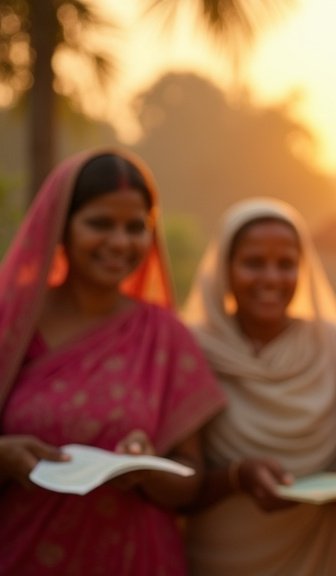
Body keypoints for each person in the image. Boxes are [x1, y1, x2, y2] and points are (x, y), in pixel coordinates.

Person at [0, 149, 226, 575]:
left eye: (135, 227)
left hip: (134, 558)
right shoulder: (12, 326)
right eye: (100, 223)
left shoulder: (164, 335)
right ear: (61, 228)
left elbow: (191, 479)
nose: (120, 242)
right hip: (24, 553)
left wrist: (144, 469)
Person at [180, 197, 336, 575]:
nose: (271, 278)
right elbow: (178, 482)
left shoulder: (335, 346)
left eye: (286, 264)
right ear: (225, 268)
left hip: (327, 553)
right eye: (254, 263)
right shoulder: (193, 350)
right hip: (223, 557)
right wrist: (237, 477)